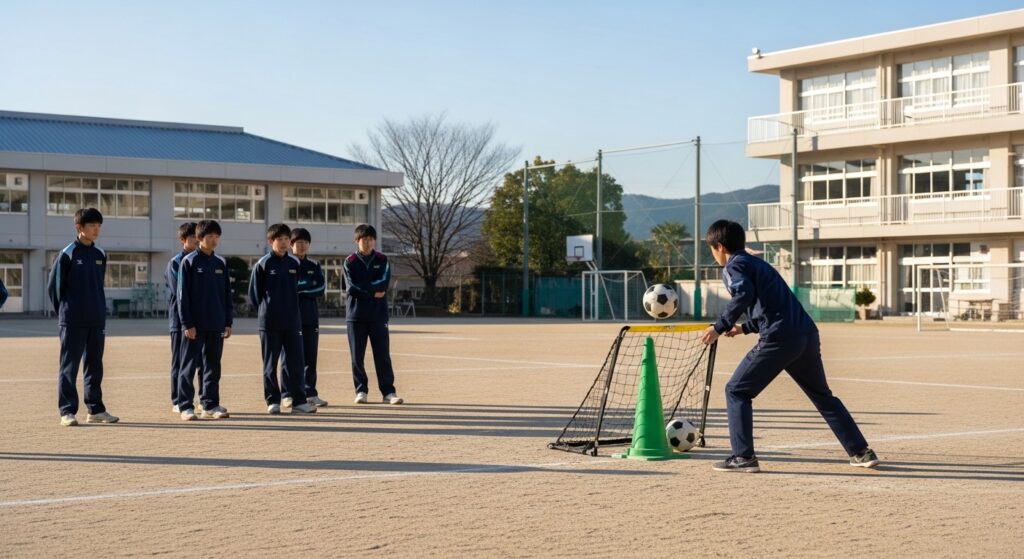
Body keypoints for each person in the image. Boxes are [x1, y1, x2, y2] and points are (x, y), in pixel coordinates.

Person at [699, 219, 878, 473]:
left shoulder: (733, 266)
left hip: (779, 339)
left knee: (736, 391)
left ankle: (743, 456)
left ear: (719, 247)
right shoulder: (759, 264)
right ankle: (861, 452)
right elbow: (770, 307)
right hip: (805, 335)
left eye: (711, 250)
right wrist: (743, 328)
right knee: (823, 397)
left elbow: (743, 294)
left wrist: (718, 326)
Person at [47, 207, 119, 426]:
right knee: (69, 366)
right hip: (72, 319)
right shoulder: (67, 253)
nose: (96, 230)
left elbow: (97, 285)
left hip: (96, 318)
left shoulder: (100, 254)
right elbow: (54, 288)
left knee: (95, 365)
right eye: (91, 226)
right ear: (79, 227)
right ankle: (67, 411)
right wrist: (66, 311)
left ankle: (95, 409)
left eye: (99, 226)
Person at [249, 223, 317, 415]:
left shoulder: (294, 263)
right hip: (270, 323)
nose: (284, 243)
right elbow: (255, 295)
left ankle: (299, 402)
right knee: (270, 364)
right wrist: (267, 311)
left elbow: (297, 290)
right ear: (271, 241)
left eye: (287, 239)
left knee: (296, 363)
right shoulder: (263, 264)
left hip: (293, 322)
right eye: (280, 239)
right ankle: (273, 401)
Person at [177, 220, 232, 421]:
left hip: (216, 323)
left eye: (217, 236)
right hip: (195, 325)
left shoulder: (221, 263)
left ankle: (210, 404)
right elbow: (183, 296)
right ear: (200, 238)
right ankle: (185, 406)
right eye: (210, 236)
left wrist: (228, 321)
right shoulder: (189, 262)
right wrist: (187, 323)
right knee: (188, 366)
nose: (214, 240)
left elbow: (226, 294)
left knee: (212, 365)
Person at [343, 224, 402, 405]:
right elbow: (351, 287)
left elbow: (384, 284)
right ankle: (361, 390)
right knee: (357, 356)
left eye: (370, 239)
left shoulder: (382, 259)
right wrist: (371, 291)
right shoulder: (350, 261)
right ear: (357, 241)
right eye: (364, 239)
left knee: (382, 354)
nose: (367, 243)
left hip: (378, 315)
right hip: (356, 316)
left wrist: (366, 287)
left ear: (374, 241)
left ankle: (388, 392)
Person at [281, 227, 328, 407]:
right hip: (290, 318)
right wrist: (304, 288)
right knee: (288, 358)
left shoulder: (314, 265)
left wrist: (300, 289)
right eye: (299, 242)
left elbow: (320, 289)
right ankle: (287, 393)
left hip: (310, 317)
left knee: (311, 357)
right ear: (291, 244)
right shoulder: (286, 264)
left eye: (306, 243)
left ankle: (310, 392)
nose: (302, 246)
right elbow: (287, 289)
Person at [166, 222, 198, 414]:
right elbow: (180, 291)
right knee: (180, 361)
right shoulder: (175, 263)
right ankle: (178, 399)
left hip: (200, 320)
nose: (197, 240)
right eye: (193, 237)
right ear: (182, 240)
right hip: (179, 321)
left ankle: (204, 399)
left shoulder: (201, 260)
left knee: (200, 362)